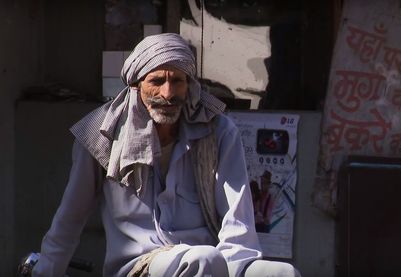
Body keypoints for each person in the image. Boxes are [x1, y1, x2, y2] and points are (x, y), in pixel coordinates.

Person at [32, 33, 300, 277]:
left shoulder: (217, 130)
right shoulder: (102, 134)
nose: (168, 93)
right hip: (142, 264)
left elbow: (237, 222)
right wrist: (46, 270)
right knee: (203, 260)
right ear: (137, 86)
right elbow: (70, 218)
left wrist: (235, 268)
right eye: (157, 81)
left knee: (282, 273)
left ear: (190, 85)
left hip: (212, 262)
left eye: (177, 81)